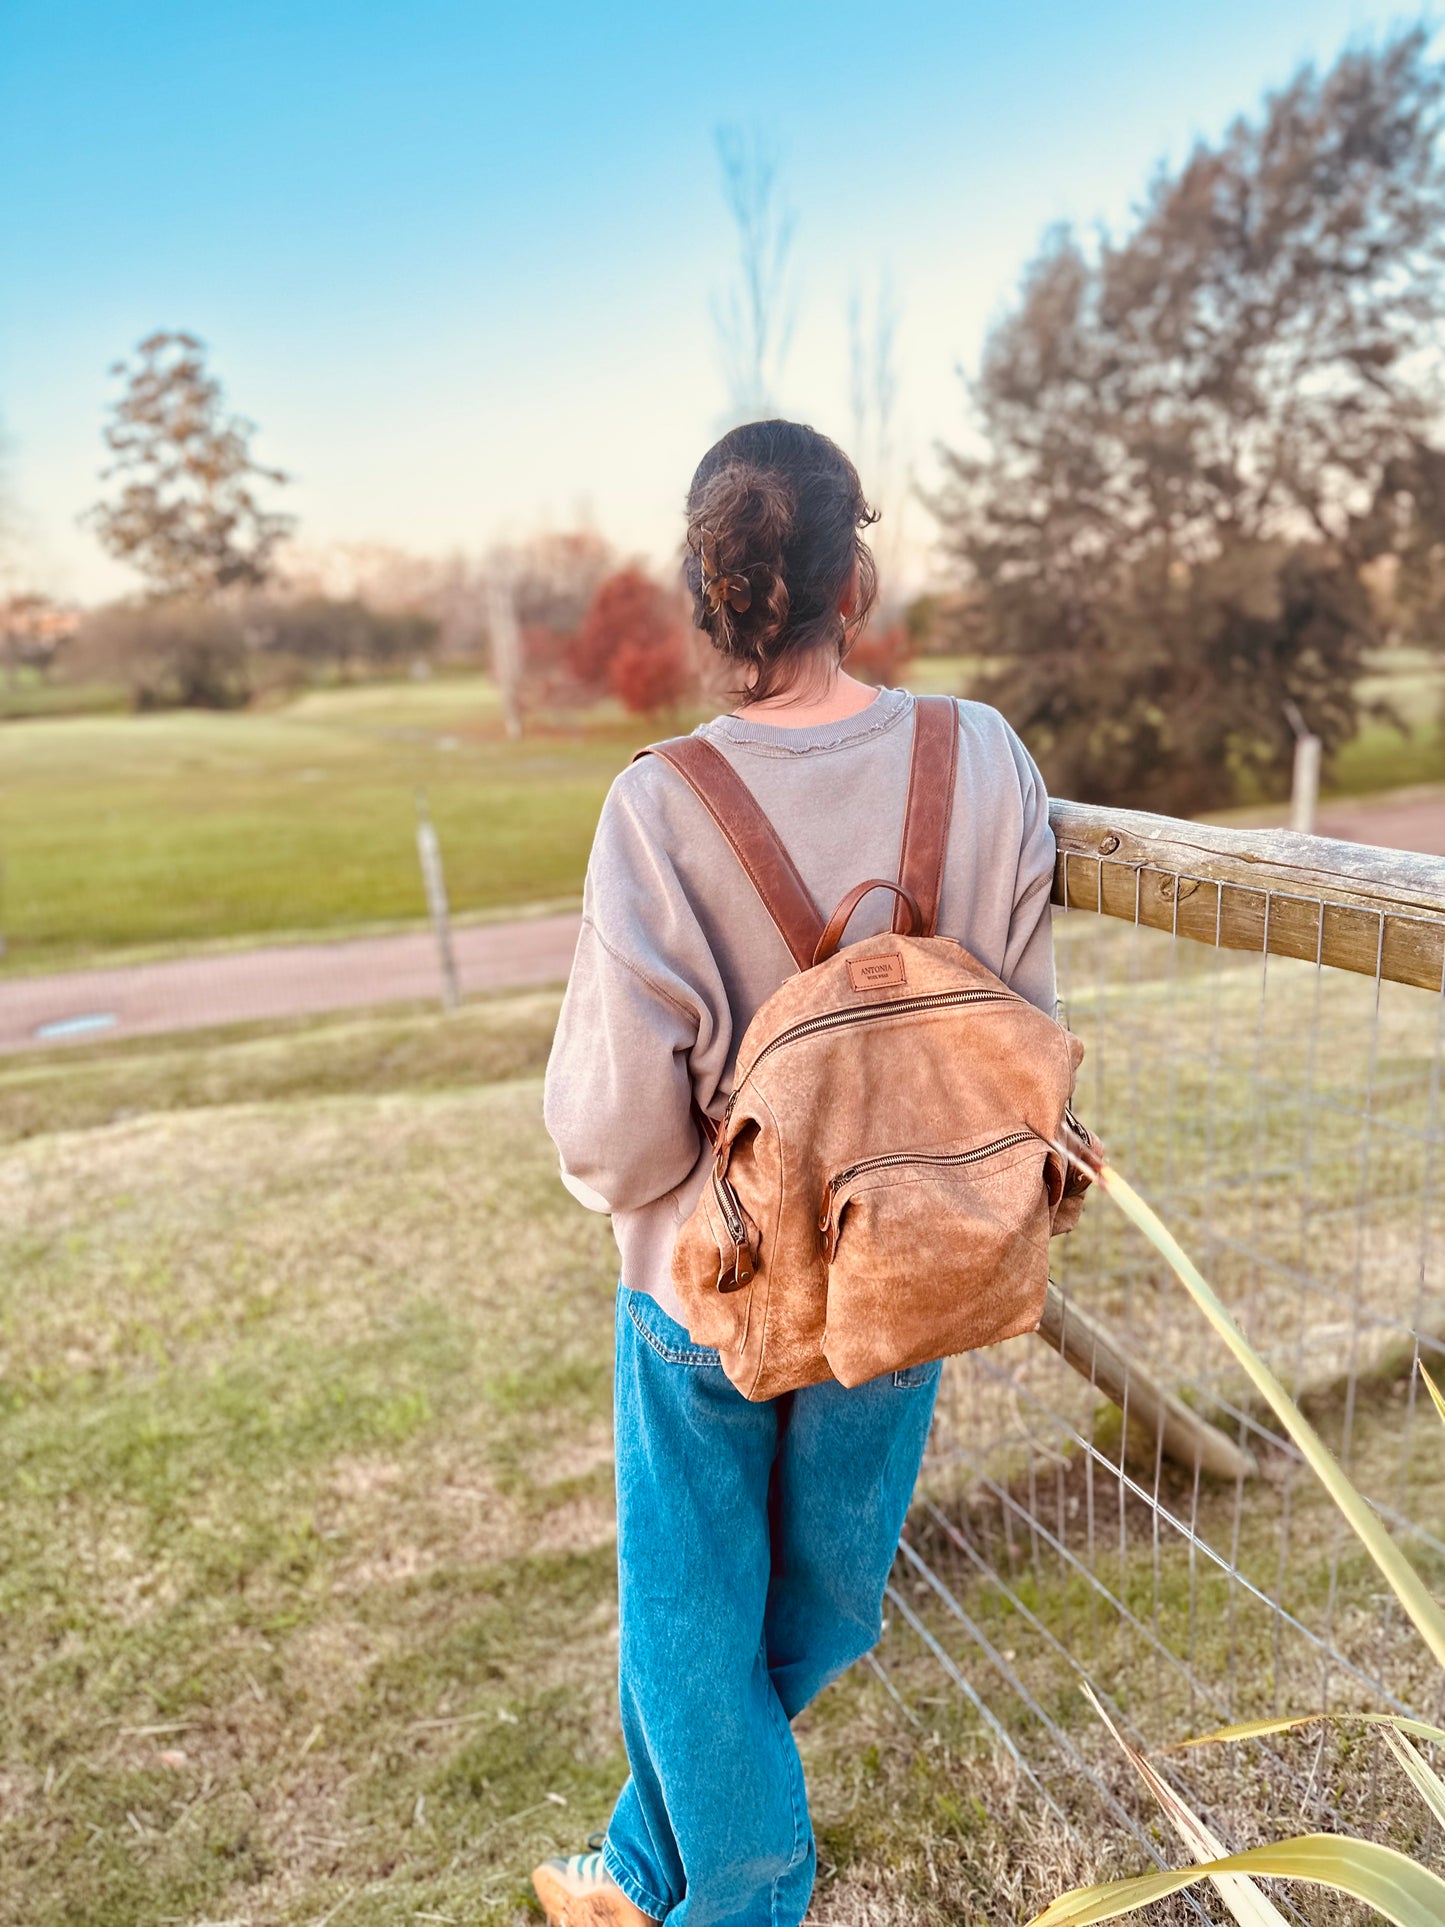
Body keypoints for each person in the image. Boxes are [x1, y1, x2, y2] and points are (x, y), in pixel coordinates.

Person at [535, 420, 1058, 1927]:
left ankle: (735, 1898)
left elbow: (619, 1132)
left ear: (708, 599)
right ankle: (641, 1871)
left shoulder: (658, 802)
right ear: (858, 573)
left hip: (705, 1286)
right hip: (906, 1268)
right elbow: (1021, 1033)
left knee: (693, 1625)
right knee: (816, 1610)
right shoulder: (982, 757)